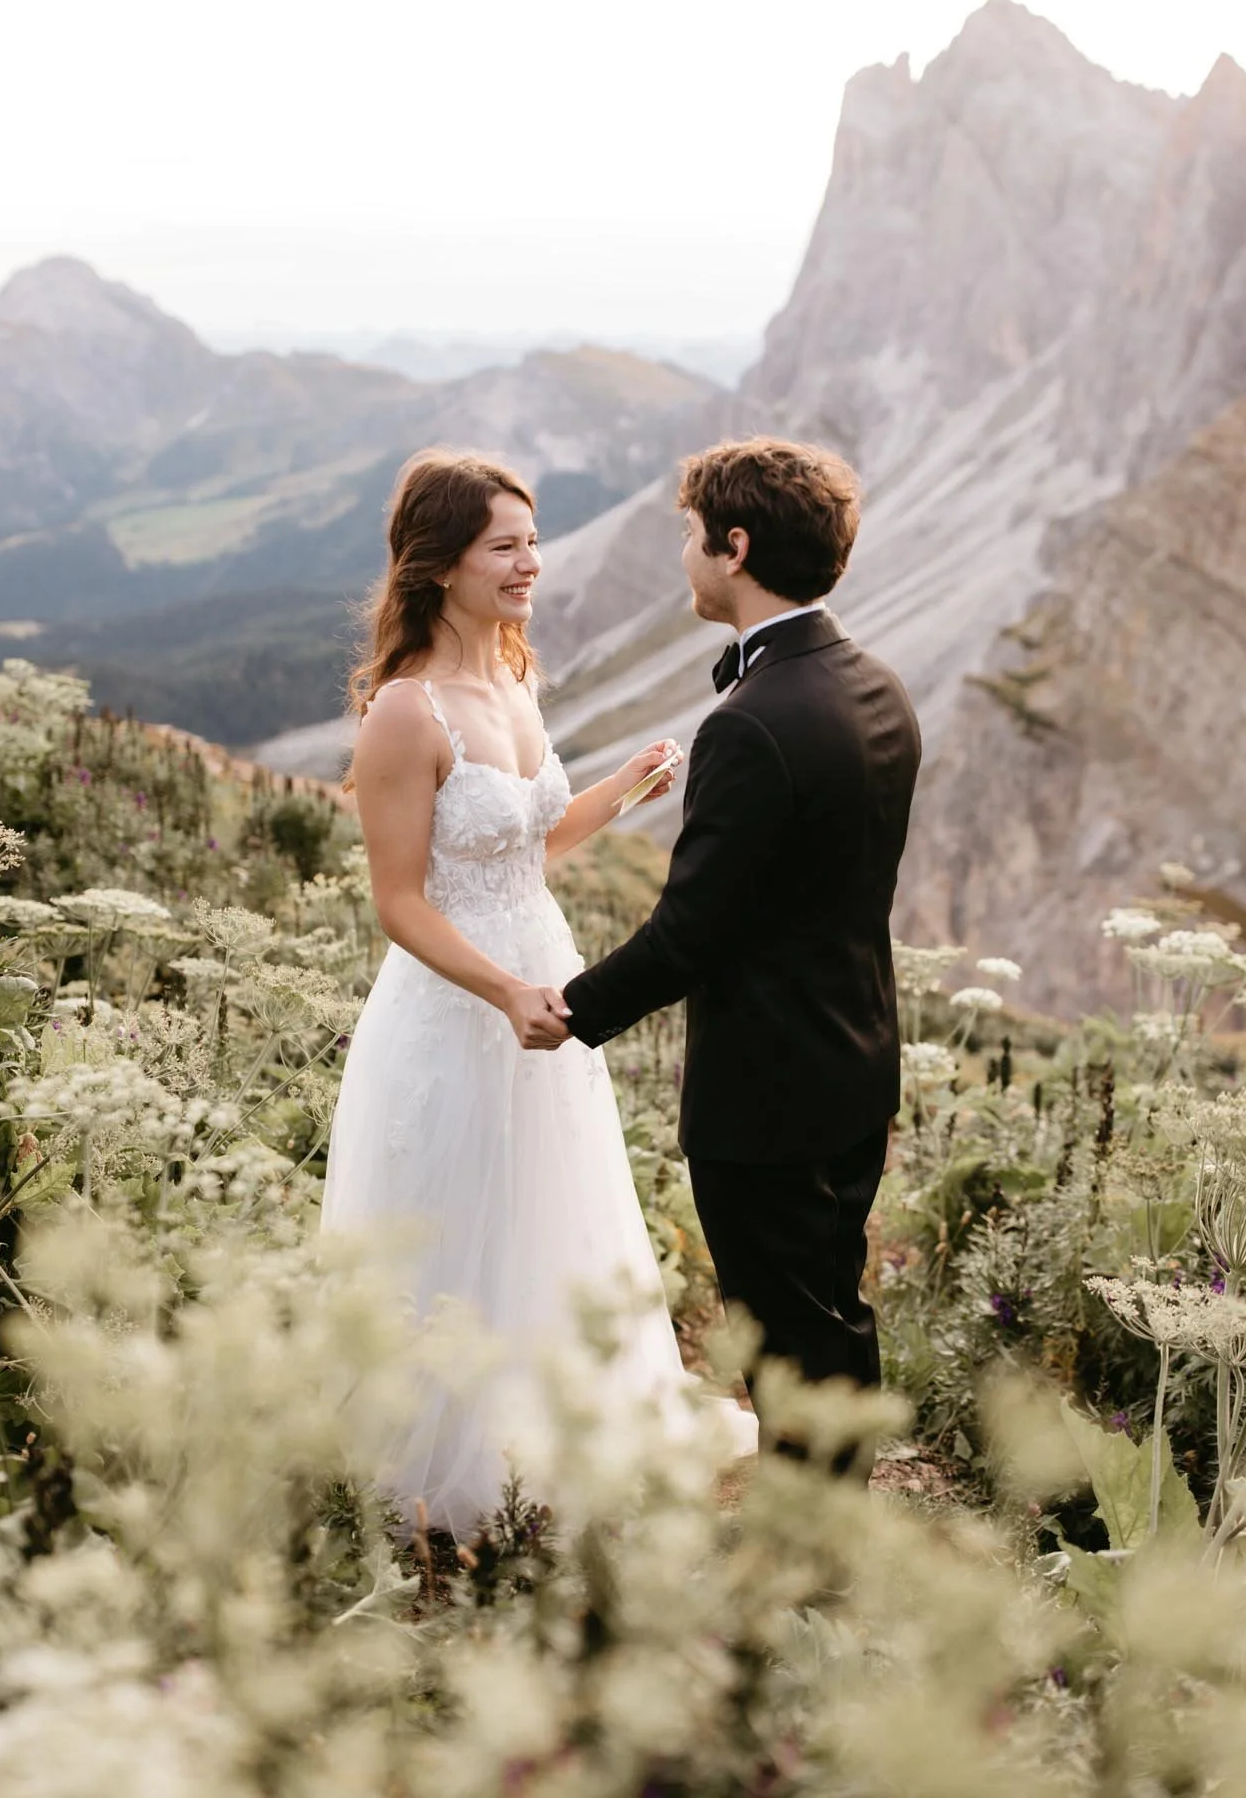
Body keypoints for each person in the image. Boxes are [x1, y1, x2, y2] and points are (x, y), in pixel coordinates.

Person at [318, 448, 756, 1537]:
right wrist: (505, 989)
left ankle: (559, 1420)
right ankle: (442, 1461)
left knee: (548, 1203)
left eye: (531, 539)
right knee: (458, 1214)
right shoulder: (405, 715)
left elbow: (523, 843)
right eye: (505, 545)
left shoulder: (514, 674)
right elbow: (403, 901)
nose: (532, 563)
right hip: (456, 999)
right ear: (441, 564)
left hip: (541, 975)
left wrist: (617, 790)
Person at [559, 437, 922, 1466]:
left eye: (689, 535)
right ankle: (823, 1527)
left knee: (784, 1331)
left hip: (766, 1085)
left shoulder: (751, 722)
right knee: (828, 1307)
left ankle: (807, 1554)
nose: (682, 554)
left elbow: (691, 929)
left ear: (736, 545)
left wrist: (573, 1008)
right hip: (855, 1054)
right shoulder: (878, 685)